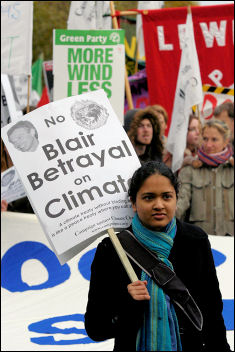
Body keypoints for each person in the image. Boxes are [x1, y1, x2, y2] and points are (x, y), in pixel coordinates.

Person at [85, 160, 231, 351]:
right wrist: (129, 304)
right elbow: (96, 328)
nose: (159, 205)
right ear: (133, 202)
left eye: (166, 196)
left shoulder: (195, 241)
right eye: (148, 197)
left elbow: (211, 313)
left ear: (176, 198)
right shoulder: (112, 249)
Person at [176, 119, 234, 236]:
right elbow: (181, 204)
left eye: (214, 140)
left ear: (225, 141)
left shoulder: (232, 170)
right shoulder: (190, 170)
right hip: (200, 241)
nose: (208, 145)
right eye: (205, 139)